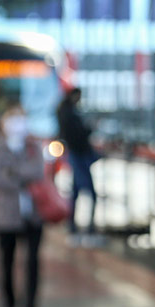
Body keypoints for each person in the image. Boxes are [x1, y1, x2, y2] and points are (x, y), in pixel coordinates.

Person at [0, 105, 45, 307]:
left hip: (33, 215)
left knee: (32, 263)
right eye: (13, 120)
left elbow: (38, 173)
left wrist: (13, 173)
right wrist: (22, 176)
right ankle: (9, 306)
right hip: (4, 216)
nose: (18, 124)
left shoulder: (34, 148)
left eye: (21, 119)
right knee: (6, 262)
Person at [56, 87, 99, 247]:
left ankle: (74, 230)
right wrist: (88, 129)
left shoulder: (66, 112)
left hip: (76, 155)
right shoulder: (69, 114)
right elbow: (78, 134)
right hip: (79, 155)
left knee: (76, 193)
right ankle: (88, 231)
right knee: (90, 193)